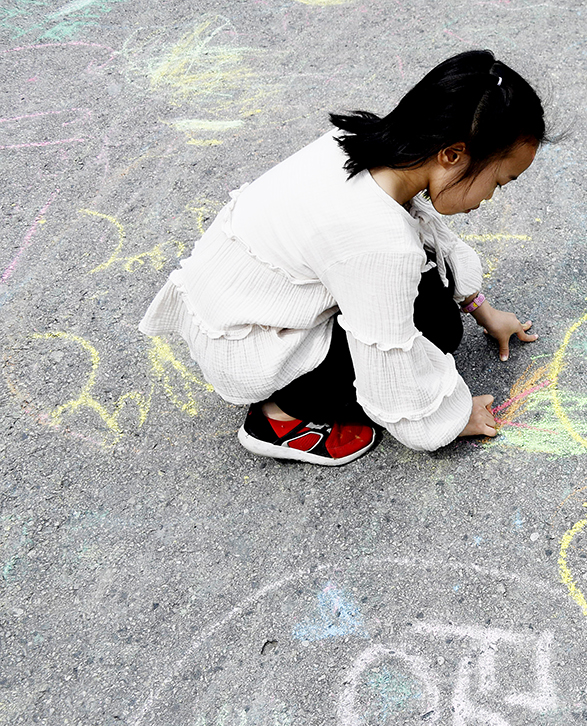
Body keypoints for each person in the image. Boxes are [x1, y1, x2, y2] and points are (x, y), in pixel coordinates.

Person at [139, 49, 545, 465]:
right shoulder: (376, 238)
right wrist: (451, 418)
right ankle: (279, 418)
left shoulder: (370, 151)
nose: (491, 196)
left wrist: (480, 307)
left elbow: (424, 240)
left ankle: (301, 391)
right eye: (498, 180)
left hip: (244, 301)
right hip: (251, 339)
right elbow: (387, 351)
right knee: (439, 330)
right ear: (452, 154)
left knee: (435, 306)